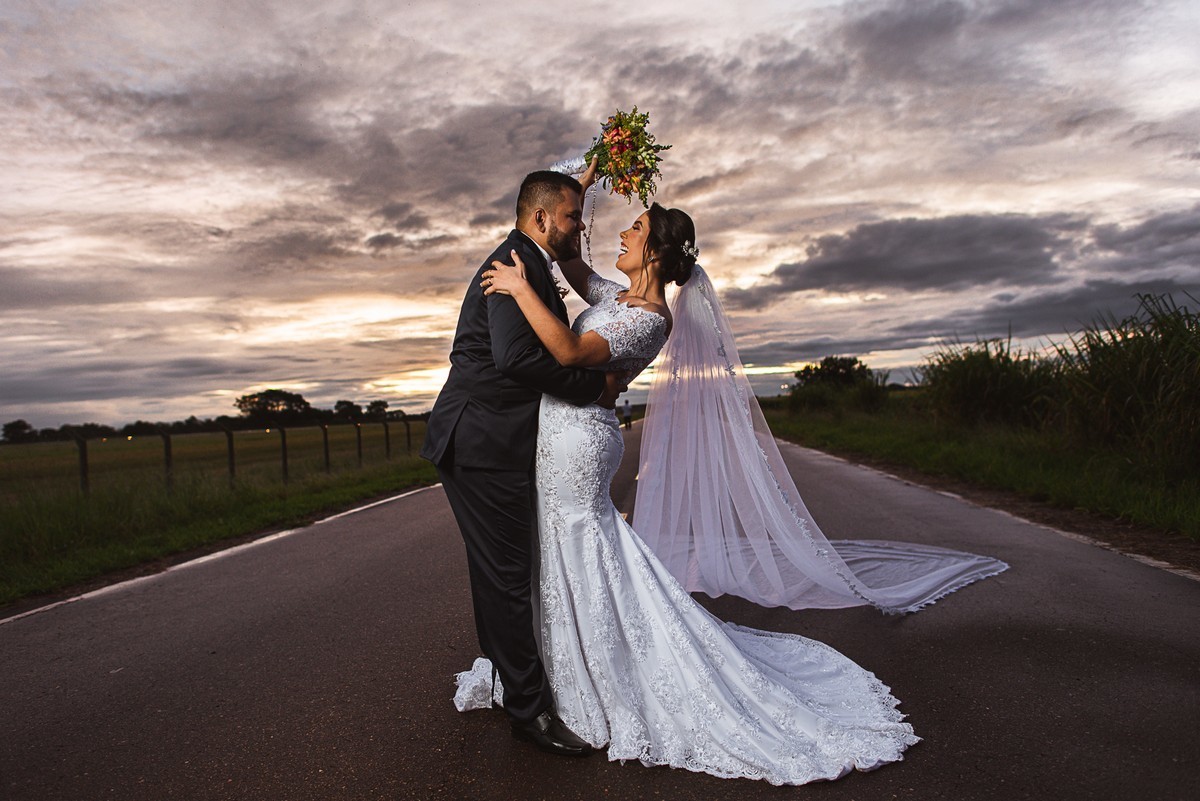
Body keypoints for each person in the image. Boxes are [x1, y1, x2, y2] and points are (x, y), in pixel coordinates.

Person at [455, 193, 924, 784]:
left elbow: (572, 350)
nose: (624, 233)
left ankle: (596, 676)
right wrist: (589, 175)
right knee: (561, 549)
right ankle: (560, 668)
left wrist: (520, 289)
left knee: (582, 543)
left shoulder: (650, 319)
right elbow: (571, 260)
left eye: (637, 228)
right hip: (558, 432)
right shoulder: (612, 296)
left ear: (654, 251)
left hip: (581, 442)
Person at [420, 169, 625, 758]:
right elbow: (512, 358)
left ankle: (507, 683)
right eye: (570, 217)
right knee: (510, 578)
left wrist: (587, 169)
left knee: (496, 574)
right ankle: (529, 714)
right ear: (540, 219)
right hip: (482, 443)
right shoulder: (514, 263)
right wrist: (593, 387)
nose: (578, 227)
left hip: (483, 440)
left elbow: (554, 186)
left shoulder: (529, 257)